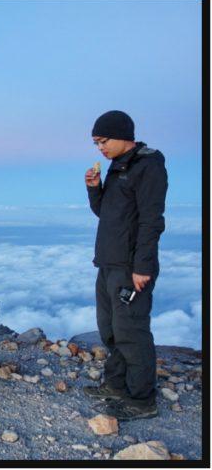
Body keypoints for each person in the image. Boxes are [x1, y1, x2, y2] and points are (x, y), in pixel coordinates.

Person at [81, 110, 168, 421]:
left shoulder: (148, 166)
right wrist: (95, 188)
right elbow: (107, 214)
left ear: (122, 136)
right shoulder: (118, 168)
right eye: (96, 143)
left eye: (103, 141)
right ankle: (117, 386)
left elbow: (151, 221)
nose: (100, 148)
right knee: (110, 330)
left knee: (131, 331)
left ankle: (142, 399)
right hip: (108, 263)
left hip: (132, 267)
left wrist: (142, 266)